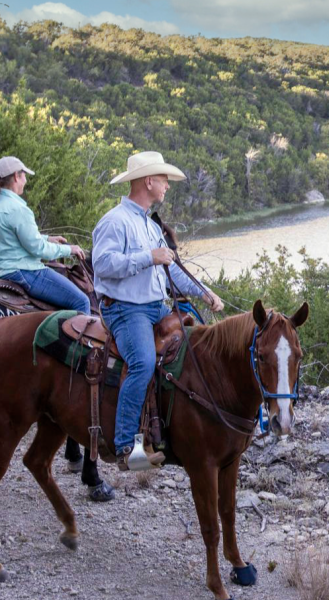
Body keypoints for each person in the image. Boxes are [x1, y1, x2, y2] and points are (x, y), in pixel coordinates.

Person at [92, 151, 224, 470]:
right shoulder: (115, 221)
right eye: (163, 179)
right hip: (126, 309)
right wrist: (148, 257)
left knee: (192, 352)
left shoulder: (150, 225)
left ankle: (170, 431)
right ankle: (126, 447)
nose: (167, 185)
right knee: (143, 363)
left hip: (154, 307)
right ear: (148, 181)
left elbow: (172, 269)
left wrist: (204, 292)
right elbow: (103, 264)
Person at [0, 156, 91, 314]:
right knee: (81, 301)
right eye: (24, 175)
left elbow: (8, 237)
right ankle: (76, 340)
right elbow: (39, 250)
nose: (25, 180)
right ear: (17, 176)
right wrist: (70, 250)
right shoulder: (18, 209)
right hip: (23, 272)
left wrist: (47, 238)